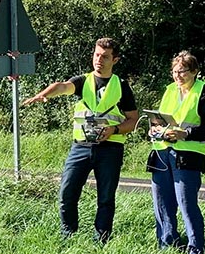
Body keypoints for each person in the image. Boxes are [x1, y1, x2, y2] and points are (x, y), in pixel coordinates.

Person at [22, 37, 140, 241]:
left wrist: (114, 129)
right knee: (67, 194)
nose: (99, 60)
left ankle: (101, 240)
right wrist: (44, 95)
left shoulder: (121, 86)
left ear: (115, 60)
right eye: (96, 55)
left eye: (105, 57)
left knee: (105, 198)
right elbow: (62, 87)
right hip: (81, 147)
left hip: (110, 148)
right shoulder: (83, 81)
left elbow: (133, 121)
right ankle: (68, 237)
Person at [147, 51, 205, 254]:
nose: (178, 76)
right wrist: (155, 128)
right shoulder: (170, 90)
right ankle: (167, 244)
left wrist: (185, 133)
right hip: (162, 150)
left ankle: (195, 250)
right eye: (175, 72)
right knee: (161, 202)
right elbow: (159, 119)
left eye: (183, 72)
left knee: (187, 204)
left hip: (188, 154)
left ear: (195, 72)